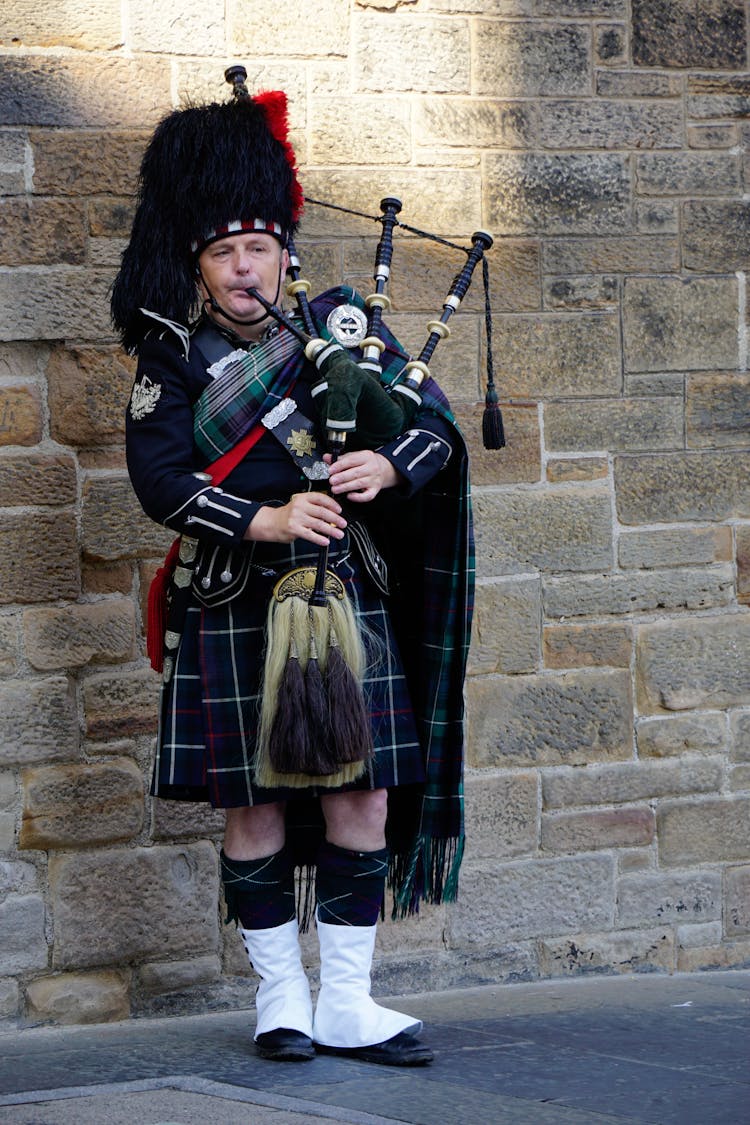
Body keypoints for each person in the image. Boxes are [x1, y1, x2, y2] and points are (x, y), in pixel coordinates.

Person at [110, 72, 473, 1067]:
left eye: (257, 249)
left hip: (340, 594)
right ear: (201, 262)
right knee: (253, 804)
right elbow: (160, 482)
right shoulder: (171, 355)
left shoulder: (342, 331)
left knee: (363, 799)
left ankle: (349, 1002)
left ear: (284, 253)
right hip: (234, 601)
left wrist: (389, 461)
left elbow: (437, 427)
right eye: (223, 252)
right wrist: (266, 517)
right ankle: (282, 1000)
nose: (241, 268)